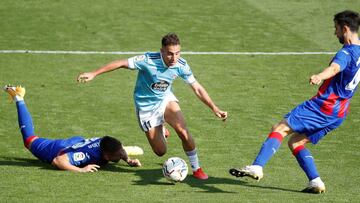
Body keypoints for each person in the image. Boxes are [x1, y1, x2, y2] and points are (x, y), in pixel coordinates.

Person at [229, 10, 360, 193]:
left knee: (280, 128)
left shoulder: (346, 52)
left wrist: (319, 76)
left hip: (323, 107)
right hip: (339, 113)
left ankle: (257, 166)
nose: (334, 33)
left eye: (336, 28)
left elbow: (335, 68)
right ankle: (315, 181)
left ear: (345, 28)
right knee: (296, 142)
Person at [77, 33, 228, 179]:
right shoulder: (148, 59)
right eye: (169, 53)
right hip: (146, 108)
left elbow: (197, 88)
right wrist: (94, 73)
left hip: (165, 100)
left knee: (183, 130)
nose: (173, 58)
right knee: (160, 152)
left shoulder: (181, 65)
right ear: (162, 51)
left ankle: (197, 169)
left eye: (177, 53)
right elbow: (121, 63)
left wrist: (214, 108)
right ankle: (161, 128)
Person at [4, 85, 141, 172]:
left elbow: (120, 148)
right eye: (118, 155)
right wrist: (81, 170)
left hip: (77, 141)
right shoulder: (85, 155)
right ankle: (19, 97)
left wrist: (128, 160)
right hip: (59, 149)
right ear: (106, 155)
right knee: (29, 140)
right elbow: (58, 161)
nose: (121, 155)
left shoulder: (110, 146)